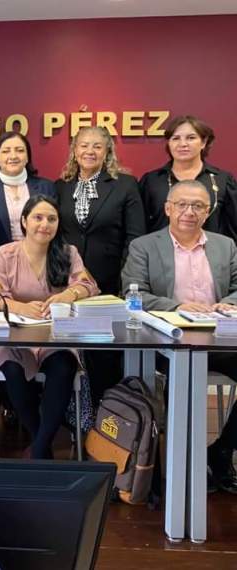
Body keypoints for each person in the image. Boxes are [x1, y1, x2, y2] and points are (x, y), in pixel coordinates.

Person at [122, 179, 237, 493]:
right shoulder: (144, 246)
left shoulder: (225, 245)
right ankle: (179, 468)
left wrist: (226, 304)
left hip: (218, 339)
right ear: (168, 209)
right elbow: (133, 294)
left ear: (208, 211)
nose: (190, 212)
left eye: (198, 206)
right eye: (182, 204)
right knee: (180, 386)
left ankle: (221, 449)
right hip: (168, 342)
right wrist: (177, 306)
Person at [0, 195, 99, 459]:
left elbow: (88, 285)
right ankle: (42, 447)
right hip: (14, 335)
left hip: (53, 335)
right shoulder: (6, 254)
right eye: (38, 217)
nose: (45, 224)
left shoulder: (68, 253)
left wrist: (67, 295)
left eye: (51, 219)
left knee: (64, 366)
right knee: (11, 368)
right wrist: (20, 307)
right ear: (24, 221)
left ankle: (38, 448)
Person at [55, 126, 145, 404]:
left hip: (108, 283)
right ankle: (73, 414)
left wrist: (124, 280)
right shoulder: (61, 186)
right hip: (67, 283)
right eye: (83, 145)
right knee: (66, 351)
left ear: (107, 152)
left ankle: (105, 411)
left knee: (103, 352)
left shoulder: (125, 184)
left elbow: (134, 237)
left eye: (97, 146)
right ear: (74, 150)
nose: (90, 151)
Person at [0, 131, 56, 276]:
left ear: (27, 157)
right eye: (6, 151)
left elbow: (55, 227)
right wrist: (2, 265)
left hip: (42, 267)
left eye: (20, 150)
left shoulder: (46, 187)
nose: (13, 156)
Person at [140, 115, 237, 240]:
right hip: (159, 251)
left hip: (211, 251)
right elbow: (139, 228)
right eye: (175, 138)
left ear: (203, 142)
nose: (183, 144)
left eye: (191, 138)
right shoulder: (152, 181)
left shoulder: (222, 181)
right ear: (169, 143)